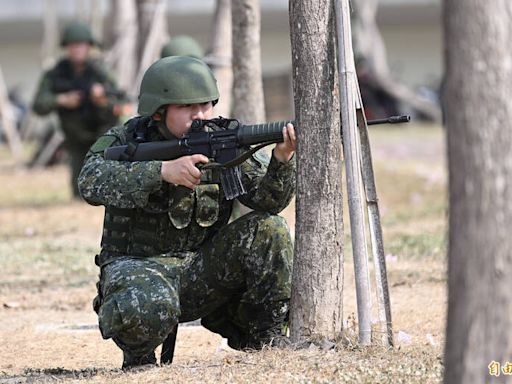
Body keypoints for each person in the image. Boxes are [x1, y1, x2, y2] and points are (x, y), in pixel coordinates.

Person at [78, 56, 296, 369]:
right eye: (187, 107)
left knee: (270, 229)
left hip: (200, 274)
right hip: (140, 270)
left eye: (206, 105)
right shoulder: (126, 139)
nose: (200, 115)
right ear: (159, 111)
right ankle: (140, 358)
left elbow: (269, 201)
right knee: (148, 300)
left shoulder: (222, 141)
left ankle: (268, 339)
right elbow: (90, 180)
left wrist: (282, 160)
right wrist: (160, 172)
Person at [32, 21, 123, 198]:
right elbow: (38, 105)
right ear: (66, 47)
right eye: (72, 45)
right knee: (78, 192)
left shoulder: (100, 72)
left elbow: (119, 104)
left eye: (81, 45)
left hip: (101, 137)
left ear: (89, 47)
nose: (77, 50)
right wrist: (61, 100)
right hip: (74, 139)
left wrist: (102, 100)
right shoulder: (56, 74)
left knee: (105, 188)